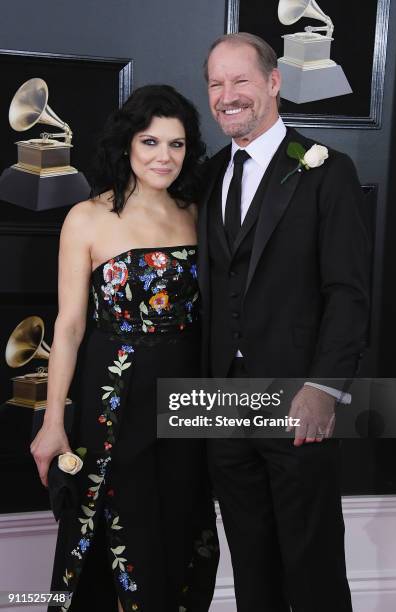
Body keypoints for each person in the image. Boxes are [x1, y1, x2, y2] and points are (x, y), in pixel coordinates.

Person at [30, 84, 219, 612]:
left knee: (182, 523)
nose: (164, 157)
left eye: (177, 145)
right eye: (151, 142)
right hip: (113, 396)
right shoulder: (87, 218)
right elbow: (67, 327)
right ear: (127, 145)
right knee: (118, 524)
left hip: (189, 393)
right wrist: (52, 423)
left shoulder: (197, 211)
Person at [198, 33, 370, 611]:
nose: (227, 96)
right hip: (222, 406)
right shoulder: (208, 172)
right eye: (216, 84)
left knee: (313, 566)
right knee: (251, 565)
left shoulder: (327, 170)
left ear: (273, 82)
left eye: (240, 80)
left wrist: (325, 389)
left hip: (299, 400)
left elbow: (347, 293)